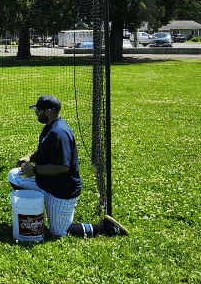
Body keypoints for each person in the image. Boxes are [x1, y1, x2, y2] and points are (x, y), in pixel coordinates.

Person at [8, 95, 128, 238]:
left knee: (58, 232)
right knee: (14, 176)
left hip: (61, 191)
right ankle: (39, 205)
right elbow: (46, 151)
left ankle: (106, 228)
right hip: (46, 182)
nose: (36, 113)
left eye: (39, 110)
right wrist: (29, 157)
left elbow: (62, 167)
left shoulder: (59, 133)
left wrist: (33, 170)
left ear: (49, 111)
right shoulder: (49, 126)